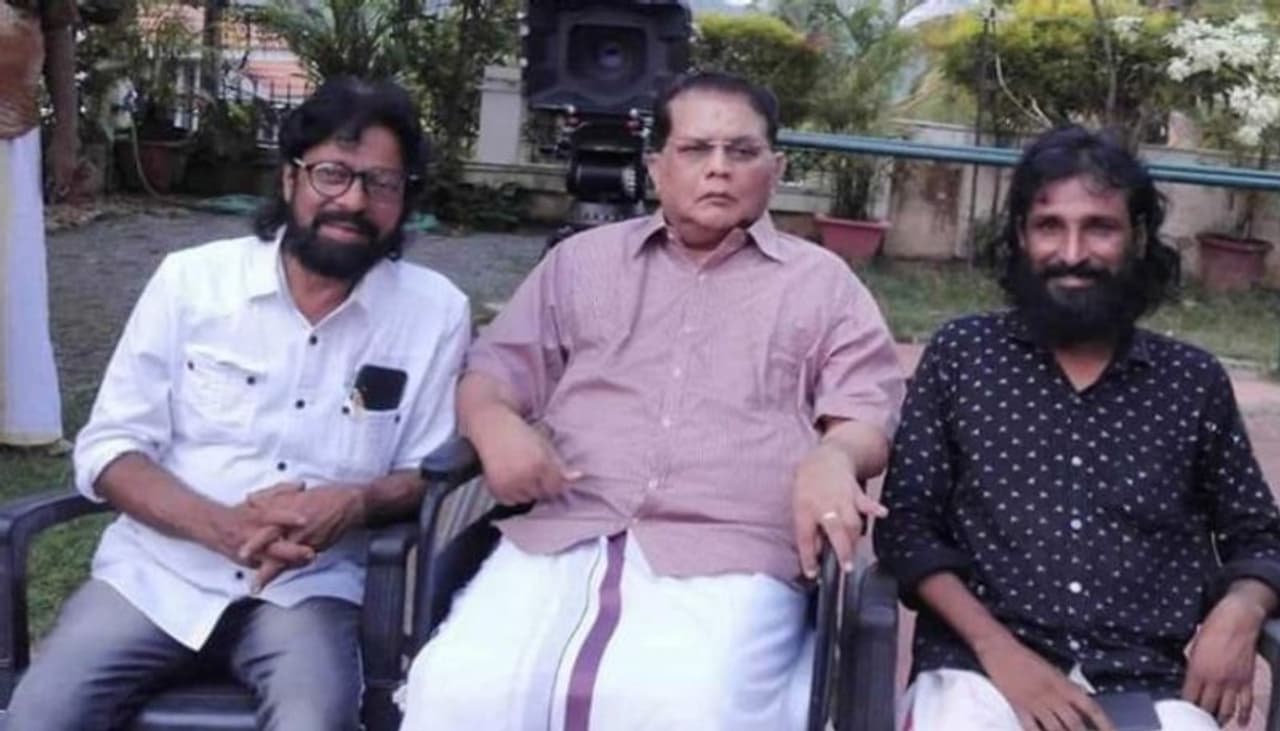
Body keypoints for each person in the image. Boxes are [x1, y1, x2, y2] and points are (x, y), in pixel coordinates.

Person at [398, 71, 905, 730]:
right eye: (695, 150)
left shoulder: (822, 284)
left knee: (690, 706)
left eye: (742, 151)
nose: (719, 168)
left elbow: (865, 411)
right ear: (657, 167)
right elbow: (494, 370)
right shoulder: (581, 263)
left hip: (734, 549)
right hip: (566, 527)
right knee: (457, 684)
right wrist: (493, 423)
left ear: (775, 170)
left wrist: (834, 456)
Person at [5, 77, 470, 731]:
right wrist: (223, 528)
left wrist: (356, 501)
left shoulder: (433, 312)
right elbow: (111, 449)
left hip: (309, 589)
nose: (353, 200)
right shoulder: (193, 281)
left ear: (405, 198)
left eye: (382, 183)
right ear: (290, 178)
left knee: (314, 721)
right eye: (332, 174)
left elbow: (429, 471)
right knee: (41, 715)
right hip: (156, 576)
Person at [874, 125, 1280, 731]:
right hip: (977, 677)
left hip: (1145, 684)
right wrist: (999, 653)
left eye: (1099, 228)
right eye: (1049, 227)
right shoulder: (964, 356)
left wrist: (1241, 610)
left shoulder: (1191, 382)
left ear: (1137, 236)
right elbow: (907, 527)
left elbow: (1260, 536)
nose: (1072, 253)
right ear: (1020, 234)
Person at [0, 0, 77, 450]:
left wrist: (67, 135)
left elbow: (59, 31)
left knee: (15, 278)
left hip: (12, 129)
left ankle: (22, 416)